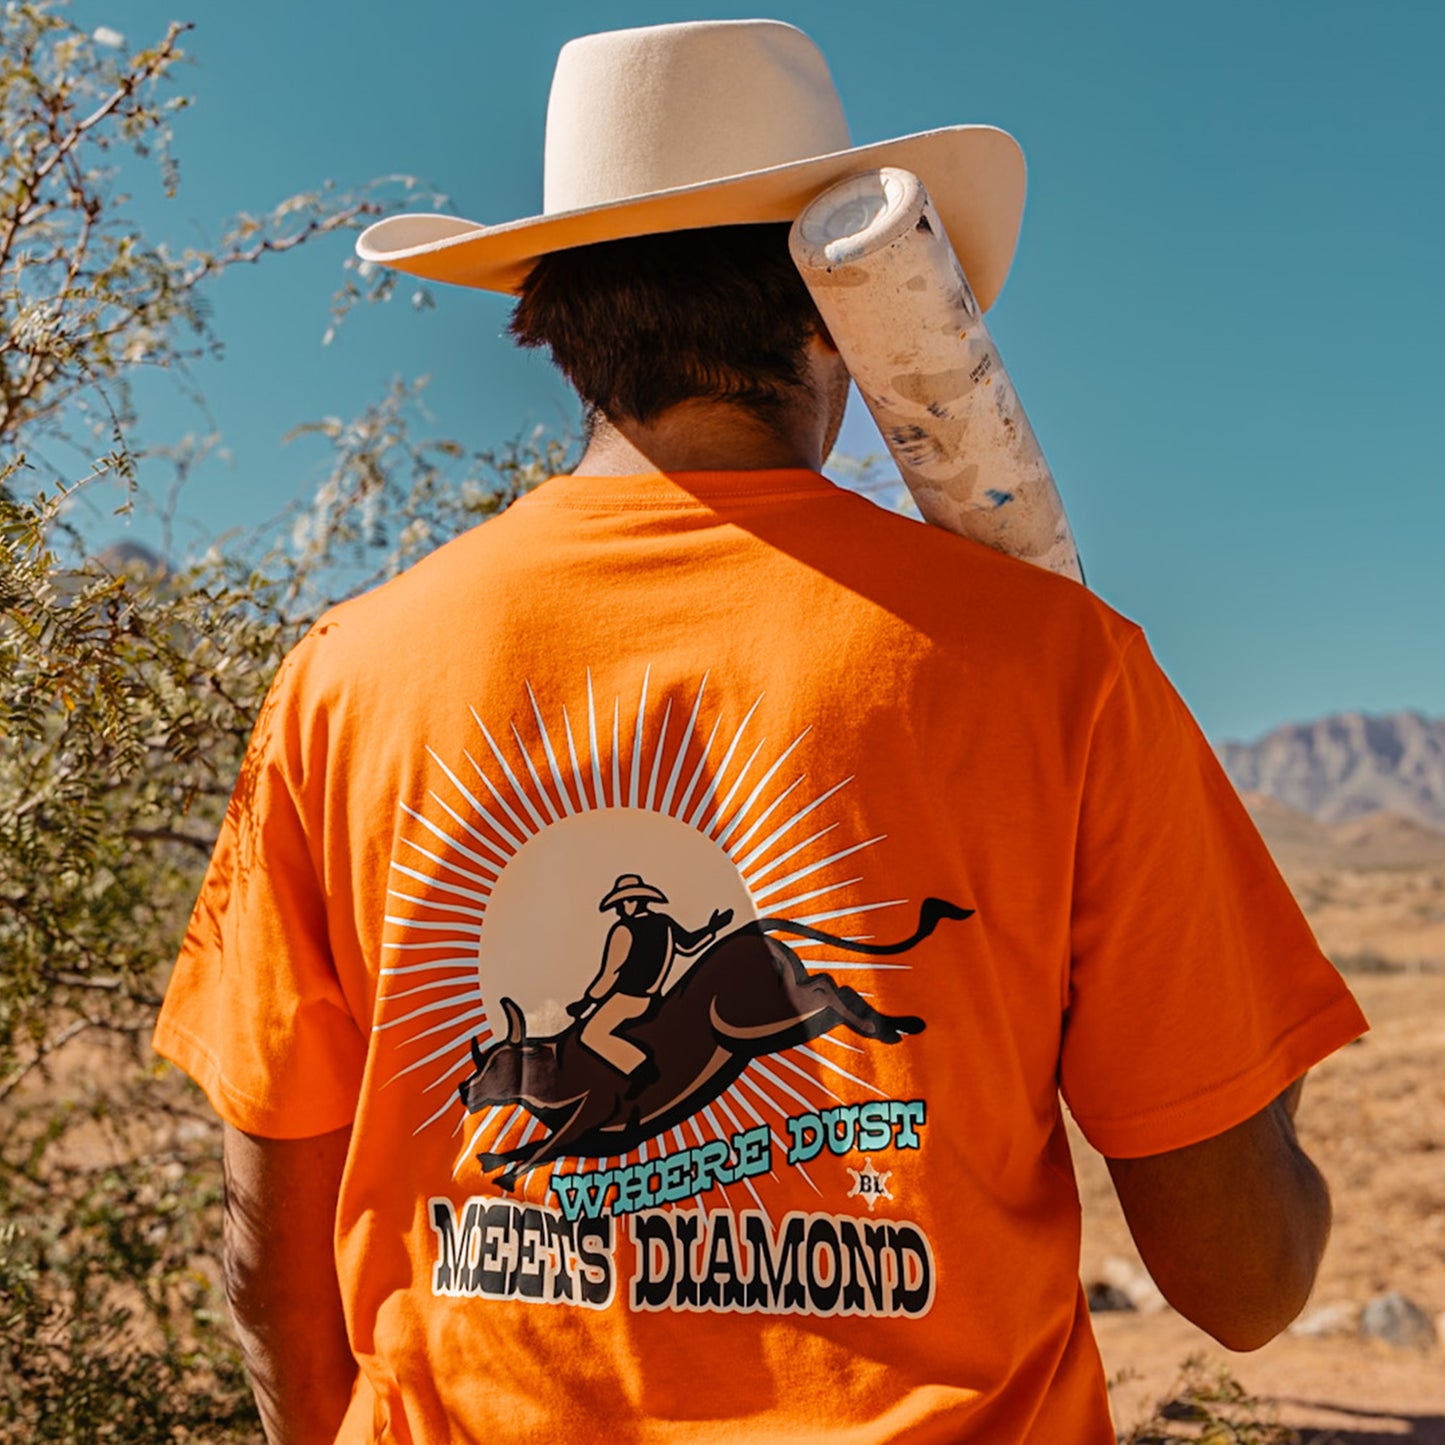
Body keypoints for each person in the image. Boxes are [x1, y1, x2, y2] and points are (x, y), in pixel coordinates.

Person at [154, 18, 1368, 1444]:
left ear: (549, 326)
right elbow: (1244, 1281)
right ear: (843, 317)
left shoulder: (340, 681)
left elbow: (271, 1273)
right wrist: (1261, 1108)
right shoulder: (1064, 670)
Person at [567, 873, 733, 1083]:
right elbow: (689, 946)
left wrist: (587, 1002)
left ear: (635, 901)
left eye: (623, 902)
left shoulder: (623, 930)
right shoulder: (664, 922)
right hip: (656, 998)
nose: (619, 909)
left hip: (628, 1000)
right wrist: (712, 929)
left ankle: (640, 1068)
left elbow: (610, 974)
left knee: (590, 1035)